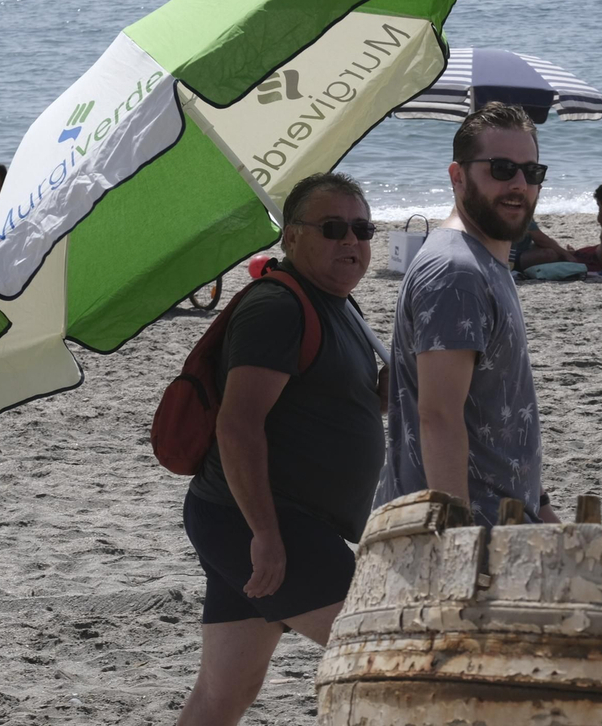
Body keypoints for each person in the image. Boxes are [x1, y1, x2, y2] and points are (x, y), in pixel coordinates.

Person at [177, 172, 387, 726]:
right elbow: (238, 425)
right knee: (382, 657)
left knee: (224, 694)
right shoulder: (278, 307)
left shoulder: (339, 305)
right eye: (333, 228)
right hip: (263, 521)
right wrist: (266, 536)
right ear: (291, 237)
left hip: (259, 520)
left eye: (362, 229)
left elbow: (338, 401)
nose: (352, 241)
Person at [375, 102, 561, 527]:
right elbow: (438, 416)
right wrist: (457, 539)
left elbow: (497, 411)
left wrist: (542, 506)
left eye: (531, 172)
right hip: (467, 536)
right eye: (500, 169)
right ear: (457, 176)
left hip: (504, 524)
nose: (519, 184)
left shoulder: (485, 263)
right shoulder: (456, 272)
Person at [509, 219, 576, 270]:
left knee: (552, 244)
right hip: (511, 258)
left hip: (522, 249)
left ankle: (563, 256)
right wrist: (566, 254)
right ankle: (564, 257)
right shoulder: (518, 212)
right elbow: (540, 239)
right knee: (549, 254)